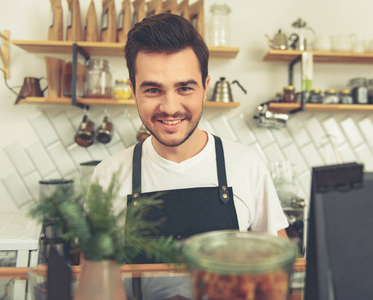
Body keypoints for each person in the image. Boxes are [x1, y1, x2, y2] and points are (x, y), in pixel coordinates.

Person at [92, 14, 288, 296]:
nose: (170, 107)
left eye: (184, 88)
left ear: (204, 87)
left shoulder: (246, 164)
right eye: (152, 89)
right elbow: (96, 281)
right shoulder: (108, 175)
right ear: (133, 89)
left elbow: (278, 271)